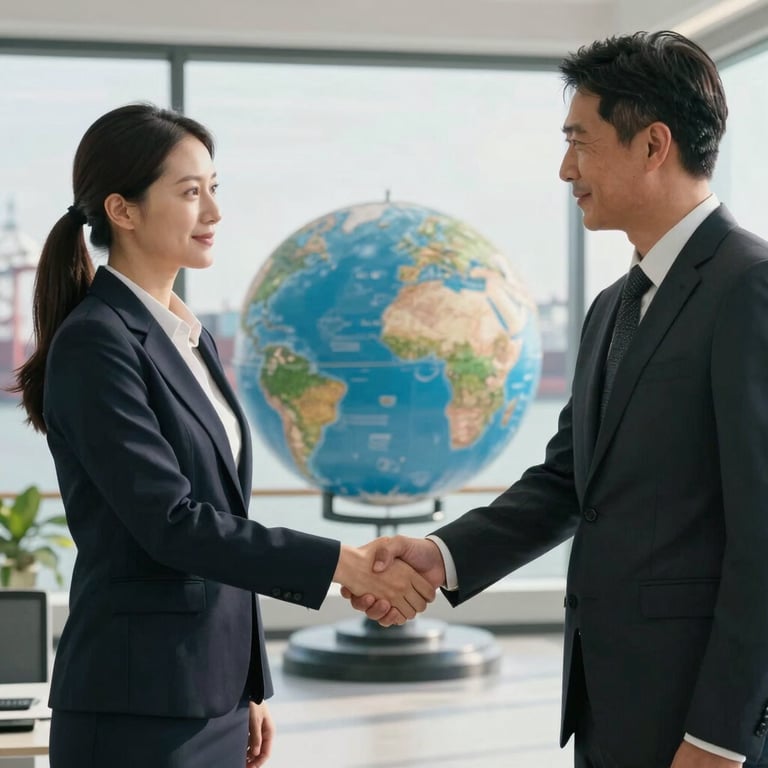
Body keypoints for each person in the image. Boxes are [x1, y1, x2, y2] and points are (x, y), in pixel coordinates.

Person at [346, 31, 768, 768]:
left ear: (653, 145)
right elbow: (569, 481)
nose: (565, 168)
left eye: (580, 142)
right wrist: (441, 556)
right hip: (608, 706)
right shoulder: (612, 306)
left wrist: (722, 736)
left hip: (699, 724)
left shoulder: (750, 287)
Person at [12, 103, 435, 768]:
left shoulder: (189, 337)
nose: (213, 211)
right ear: (122, 211)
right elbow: (172, 524)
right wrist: (342, 564)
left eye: (214, 188)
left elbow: (225, 518)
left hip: (211, 693)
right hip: (136, 708)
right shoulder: (96, 342)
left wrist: (248, 683)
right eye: (190, 192)